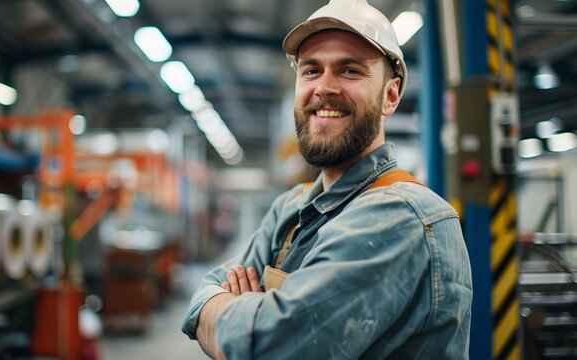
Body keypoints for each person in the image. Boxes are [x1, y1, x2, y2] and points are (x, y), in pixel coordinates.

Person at [181, 0, 472, 358]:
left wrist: (235, 315)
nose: (324, 88)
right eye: (311, 70)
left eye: (350, 71)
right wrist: (242, 315)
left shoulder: (402, 215)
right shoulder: (291, 207)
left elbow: (268, 348)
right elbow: (207, 289)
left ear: (391, 96)